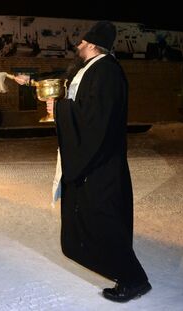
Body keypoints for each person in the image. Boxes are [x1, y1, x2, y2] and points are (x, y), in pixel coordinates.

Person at [46, 21, 151, 302]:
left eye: (81, 42)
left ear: (92, 44)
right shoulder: (92, 70)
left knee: (106, 224)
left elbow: (95, 119)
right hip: (92, 161)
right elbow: (83, 109)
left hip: (101, 164)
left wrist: (59, 109)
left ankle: (134, 280)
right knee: (93, 221)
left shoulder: (106, 71)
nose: (77, 46)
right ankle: (126, 275)